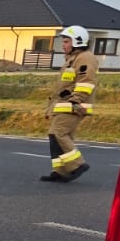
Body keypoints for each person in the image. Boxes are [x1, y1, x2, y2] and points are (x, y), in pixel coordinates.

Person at [41, 25, 98, 182]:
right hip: (64, 105)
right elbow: (64, 87)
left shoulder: (85, 58)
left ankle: (77, 165)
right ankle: (61, 171)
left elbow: (86, 82)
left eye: (66, 41)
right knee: (56, 136)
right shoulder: (71, 60)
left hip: (74, 106)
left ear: (77, 42)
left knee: (57, 133)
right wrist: (50, 109)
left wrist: (75, 100)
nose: (63, 45)